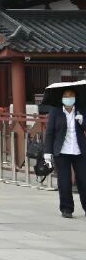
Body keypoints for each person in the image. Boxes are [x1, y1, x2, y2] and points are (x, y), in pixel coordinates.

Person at [44, 88, 86, 218]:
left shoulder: (81, 110)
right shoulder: (55, 112)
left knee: (84, 180)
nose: (69, 98)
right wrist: (47, 153)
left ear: (75, 97)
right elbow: (50, 133)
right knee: (64, 182)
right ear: (62, 98)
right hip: (62, 152)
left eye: (71, 95)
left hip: (79, 151)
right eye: (66, 96)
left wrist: (83, 121)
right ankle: (66, 209)